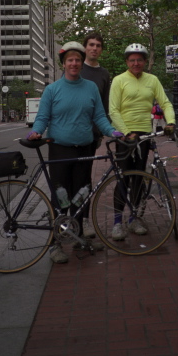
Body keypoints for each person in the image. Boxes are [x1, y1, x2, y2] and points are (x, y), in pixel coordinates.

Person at [28, 41, 123, 263]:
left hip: (84, 149)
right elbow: (42, 117)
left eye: (77, 60)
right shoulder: (52, 90)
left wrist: (111, 131)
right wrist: (36, 132)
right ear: (63, 64)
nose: (74, 63)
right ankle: (56, 244)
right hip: (59, 149)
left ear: (82, 63)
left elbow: (99, 116)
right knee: (60, 196)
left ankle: (79, 237)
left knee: (82, 194)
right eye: (70, 60)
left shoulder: (90, 88)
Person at [109, 43, 175, 241]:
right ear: (127, 62)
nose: (136, 63)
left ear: (145, 61)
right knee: (123, 178)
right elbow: (113, 110)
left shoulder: (152, 80)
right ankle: (117, 222)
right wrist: (126, 132)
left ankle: (135, 218)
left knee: (139, 178)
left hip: (145, 135)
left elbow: (165, 103)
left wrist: (171, 121)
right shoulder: (119, 80)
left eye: (139, 60)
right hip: (125, 137)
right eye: (132, 60)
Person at [80, 31, 111, 238]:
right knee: (66, 180)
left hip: (91, 136)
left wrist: (103, 131)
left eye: (98, 45)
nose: (94, 48)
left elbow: (105, 106)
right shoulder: (75, 67)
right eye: (91, 44)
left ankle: (84, 220)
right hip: (69, 134)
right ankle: (64, 220)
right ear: (85, 47)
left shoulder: (104, 74)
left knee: (84, 180)